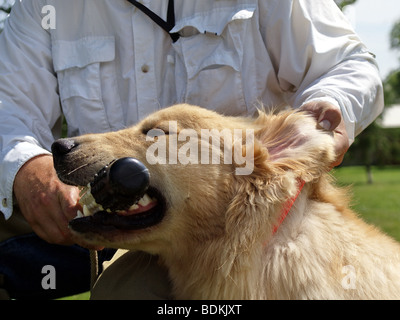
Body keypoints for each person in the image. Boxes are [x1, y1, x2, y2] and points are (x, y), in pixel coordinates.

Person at [0, 0, 383, 299]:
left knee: (129, 294)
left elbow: (349, 66)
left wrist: (327, 107)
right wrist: (25, 167)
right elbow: (8, 105)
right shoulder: (43, 7)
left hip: (237, 220)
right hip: (95, 194)